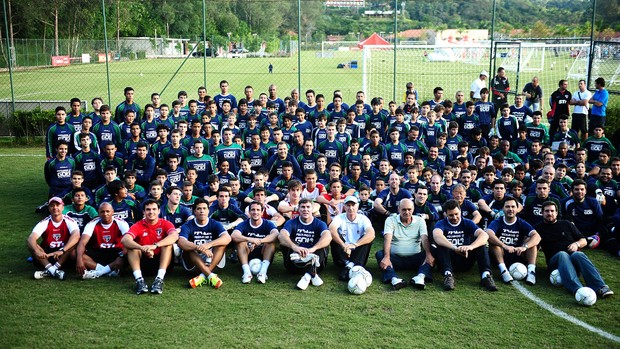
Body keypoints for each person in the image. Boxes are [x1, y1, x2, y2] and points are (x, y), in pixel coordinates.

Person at [535, 201, 613, 301]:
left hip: (573, 261)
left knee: (578, 254)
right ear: (542, 213)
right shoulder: (538, 228)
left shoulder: (566, 224)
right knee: (562, 254)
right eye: (546, 211)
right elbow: (534, 246)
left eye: (552, 211)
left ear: (557, 213)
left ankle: (600, 287)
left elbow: (584, 240)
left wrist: (576, 244)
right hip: (555, 264)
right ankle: (577, 289)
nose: (550, 213)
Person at [433, 199, 498, 291]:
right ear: (445, 214)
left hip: (466, 258)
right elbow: (437, 236)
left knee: (481, 243)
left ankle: (486, 276)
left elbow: (484, 235)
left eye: (456, 214)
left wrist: (470, 247)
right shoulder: (441, 223)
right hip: (448, 259)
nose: (454, 217)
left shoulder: (468, 222)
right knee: (441, 244)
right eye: (451, 215)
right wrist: (454, 248)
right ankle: (448, 276)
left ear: (460, 211)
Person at [121, 199, 179, 295]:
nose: (151, 212)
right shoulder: (138, 225)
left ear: (159, 211)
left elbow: (174, 236)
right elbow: (125, 240)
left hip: (163, 262)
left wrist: (155, 246)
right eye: (148, 209)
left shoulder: (165, 223)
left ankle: (159, 279)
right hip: (144, 263)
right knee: (132, 247)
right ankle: (139, 280)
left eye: (154, 209)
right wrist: (142, 248)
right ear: (143, 212)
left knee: (168, 245)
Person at [375, 198, 433, 290]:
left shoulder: (420, 221)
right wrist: (386, 257)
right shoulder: (390, 220)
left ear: (413, 209)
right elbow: (387, 239)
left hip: (415, 259)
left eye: (409, 209)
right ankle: (394, 279)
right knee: (380, 254)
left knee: (433, 252)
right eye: (404, 209)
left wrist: (428, 254)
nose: (407, 212)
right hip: (396, 260)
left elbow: (424, 239)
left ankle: (420, 277)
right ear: (398, 209)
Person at [278, 198, 332, 290]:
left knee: (323, 243)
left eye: (308, 207)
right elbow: (281, 236)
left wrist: (313, 249)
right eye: (302, 207)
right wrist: (295, 248)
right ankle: (312, 273)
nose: (305, 209)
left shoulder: (319, 223)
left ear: (312, 209)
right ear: (298, 209)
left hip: (316, 260)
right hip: (294, 265)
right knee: (287, 241)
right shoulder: (291, 222)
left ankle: (307, 276)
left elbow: (328, 237)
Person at [177, 198, 231, 289]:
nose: (202, 211)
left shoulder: (215, 223)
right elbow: (181, 242)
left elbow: (227, 238)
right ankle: (210, 276)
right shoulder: (188, 225)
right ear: (194, 211)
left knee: (222, 244)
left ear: (208, 210)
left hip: (212, 259)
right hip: (194, 262)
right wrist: (198, 247)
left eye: (204, 208)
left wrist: (208, 245)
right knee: (189, 248)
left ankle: (203, 276)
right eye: (199, 209)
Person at [486, 196, 541, 284]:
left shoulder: (521, 222)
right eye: (507, 207)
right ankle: (503, 271)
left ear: (517, 209)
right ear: (502, 209)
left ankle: (531, 272)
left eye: (513, 207)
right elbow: (488, 233)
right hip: (501, 254)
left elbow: (537, 236)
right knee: (494, 243)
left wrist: (524, 247)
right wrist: (504, 246)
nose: (510, 209)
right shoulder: (498, 221)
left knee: (532, 242)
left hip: (518, 253)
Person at [28, 197, 81, 280]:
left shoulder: (70, 220)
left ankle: (51, 269)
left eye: (57, 205)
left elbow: (76, 235)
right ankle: (53, 270)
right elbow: (31, 238)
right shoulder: (45, 222)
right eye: (52, 205)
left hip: (63, 254)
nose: (55, 207)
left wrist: (62, 250)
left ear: (62, 207)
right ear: (49, 208)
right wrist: (37, 251)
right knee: (32, 245)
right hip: (48, 254)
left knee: (74, 243)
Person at [77, 202, 129, 279]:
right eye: (102, 211)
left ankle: (99, 272)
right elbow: (82, 243)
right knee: (75, 253)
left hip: (116, 252)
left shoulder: (121, 223)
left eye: (107, 211)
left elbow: (128, 242)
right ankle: (108, 271)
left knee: (130, 252)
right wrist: (79, 260)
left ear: (112, 212)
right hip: (99, 252)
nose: (105, 214)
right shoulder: (92, 223)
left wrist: (121, 257)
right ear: (98, 212)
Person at [231, 201, 279, 284]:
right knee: (241, 242)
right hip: (248, 253)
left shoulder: (267, 223)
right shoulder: (244, 224)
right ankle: (247, 273)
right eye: (253, 210)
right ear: (249, 212)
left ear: (262, 212)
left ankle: (263, 273)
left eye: (258, 210)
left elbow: (276, 234)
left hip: (264, 254)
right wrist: (250, 239)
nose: (255, 212)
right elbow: (234, 235)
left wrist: (260, 241)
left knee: (270, 243)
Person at [329, 196, 376, 281]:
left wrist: (355, 245)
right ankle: (351, 265)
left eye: (353, 205)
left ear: (357, 206)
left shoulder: (363, 218)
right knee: (333, 237)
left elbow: (371, 234)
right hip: (343, 251)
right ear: (344, 206)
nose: (351, 208)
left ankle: (348, 267)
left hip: (357, 249)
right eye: (348, 205)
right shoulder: (339, 217)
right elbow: (331, 229)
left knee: (367, 239)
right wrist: (343, 245)